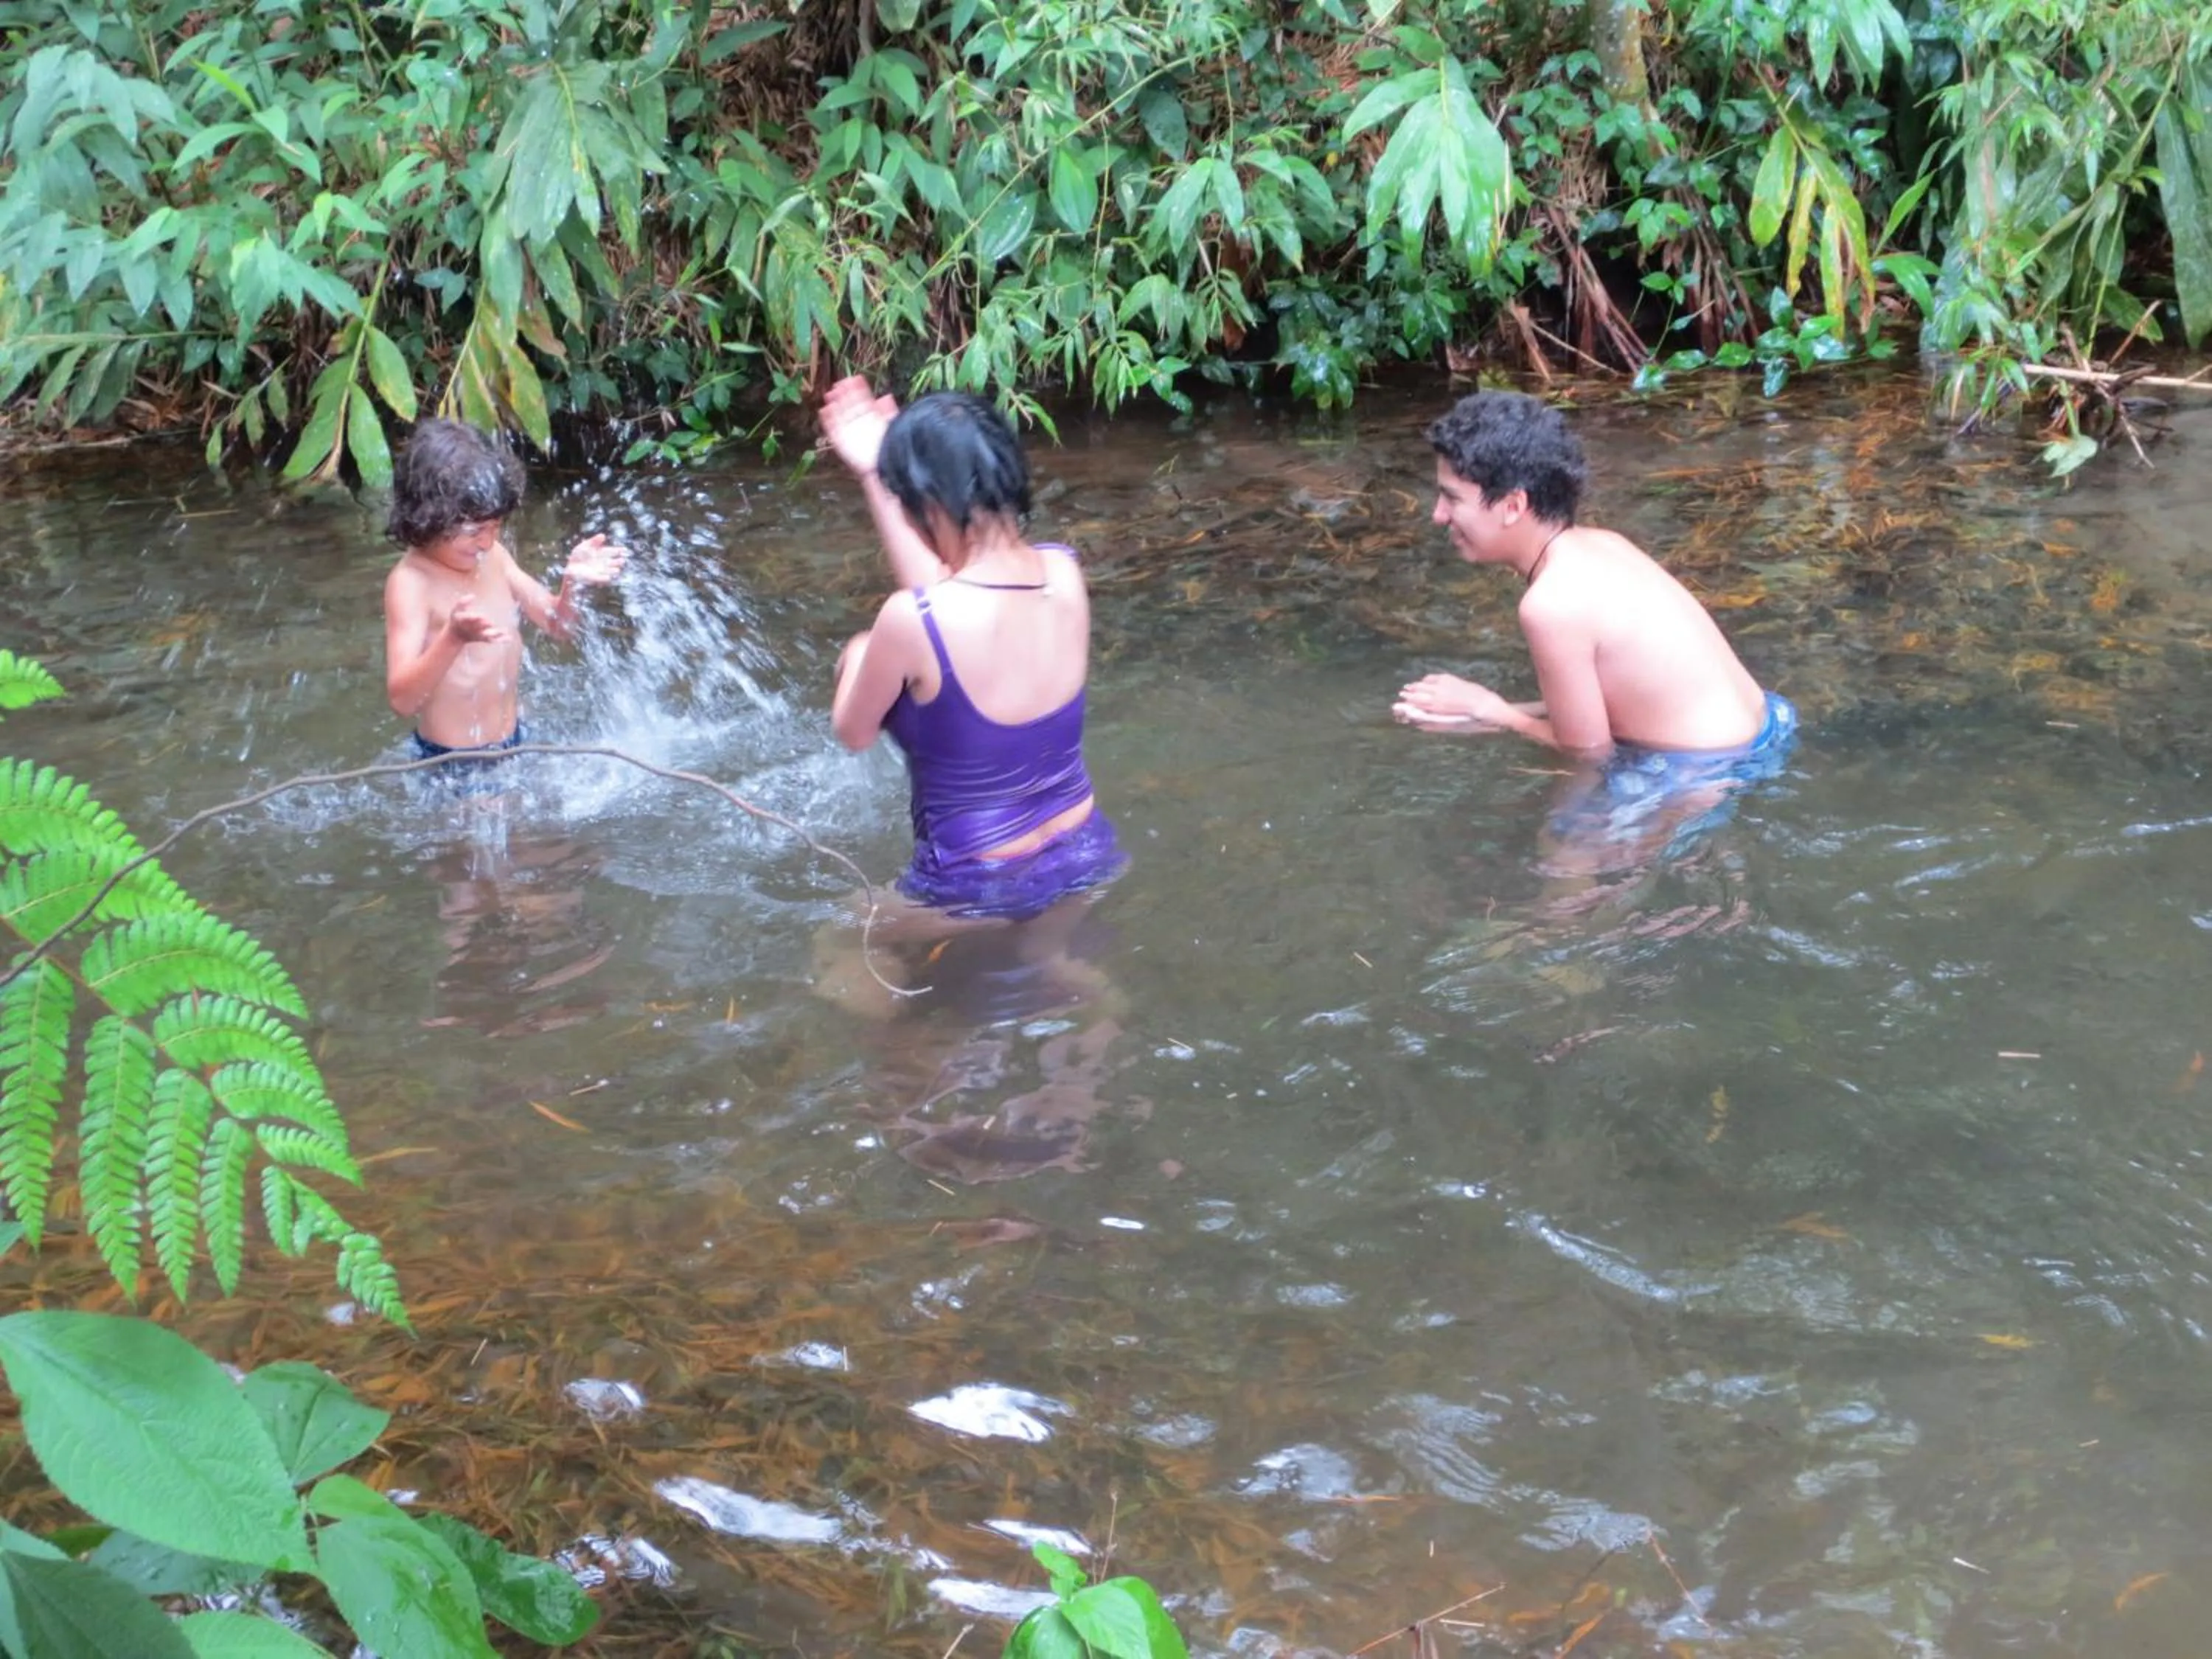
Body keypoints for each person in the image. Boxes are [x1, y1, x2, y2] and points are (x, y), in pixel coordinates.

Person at [1392, 391, 1795, 854]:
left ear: (1513, 506)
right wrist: (1509, 709)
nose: (1438, 515)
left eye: (1451, 498)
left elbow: (1589, 754)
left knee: (1565, 850)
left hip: (1704, 772)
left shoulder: (1550, 605)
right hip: (1769, 725)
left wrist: (1492, 712)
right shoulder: (1603, 544)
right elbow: (1623, 694)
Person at [815, 378, 1125, 925]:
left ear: (928, 507)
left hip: (976, 886)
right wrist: (875, 473)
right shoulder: (1063, 572)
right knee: (1057, 960)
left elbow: (854, 732)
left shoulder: (909, 621)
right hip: (1084, 852)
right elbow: (947, 601)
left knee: (841, 934)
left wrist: (860, 655)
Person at [381, 418, 625, 785]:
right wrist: (453, 638)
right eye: (474, 531)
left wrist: (572, 585)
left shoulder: (493, 555)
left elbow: (558, 626)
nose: (486, 541)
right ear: (427, 518)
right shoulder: (411, 583)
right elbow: (403, 701)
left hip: (516, 742)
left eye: (495, 526)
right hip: (457, 765)